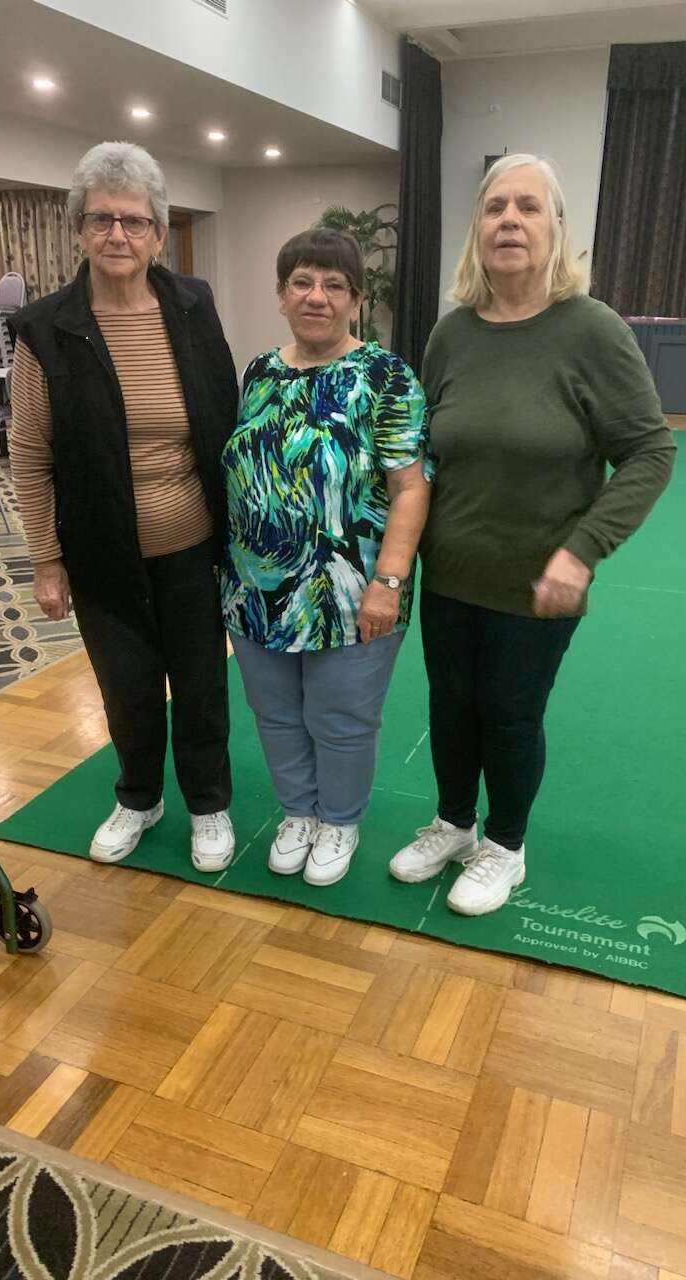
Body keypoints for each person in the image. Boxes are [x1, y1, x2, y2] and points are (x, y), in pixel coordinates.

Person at [390, 153, 675, 916]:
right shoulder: (451, 335)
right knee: (451, 704)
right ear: (476, 231)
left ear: (556, 229)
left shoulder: (594, 331)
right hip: (450, 572)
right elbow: (425, 451)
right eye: (494, 208)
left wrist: (582, 552)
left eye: (527, 208)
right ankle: (452, 824)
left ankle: (505, 847)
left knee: (510, 714)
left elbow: (651, 452)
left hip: (536, 581)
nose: (509, 221)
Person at [8, 141, 238, 871]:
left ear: (158, 234)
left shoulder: (192, 305)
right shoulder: (46, 329)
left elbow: (224, 417)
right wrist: (47, 562)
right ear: (78, 228)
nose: (118, 234)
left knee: (200, 687)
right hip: (103, 554)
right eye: (101, 219)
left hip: (193, 546)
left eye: (134, 221)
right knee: (129, 691)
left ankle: (209, 804)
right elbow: (30, 455)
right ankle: (140, 797)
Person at [222, 228, 432, 886]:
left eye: (334, 285)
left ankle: (339, 821)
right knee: (276, 713)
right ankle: (299, 814)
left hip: (352, 590)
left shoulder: (386, 377)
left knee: (341, 717)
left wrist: (388, 582)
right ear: (282, 296)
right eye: (302, 283)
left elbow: (410, 487)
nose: (317, 297)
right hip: (255, 587)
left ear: (356, 300)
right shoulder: (259, 370)